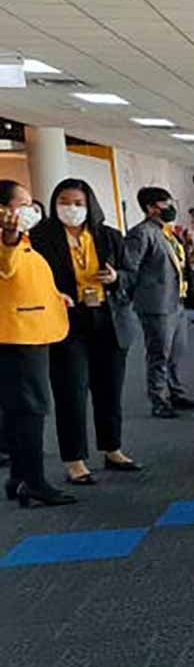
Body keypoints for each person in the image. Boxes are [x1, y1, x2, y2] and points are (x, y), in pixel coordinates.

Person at [30, 179, 141, 483]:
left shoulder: (109, 237)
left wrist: (117, 277)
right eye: (64, 201)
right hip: (68, 322)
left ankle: (112, 448)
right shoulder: (40, 239)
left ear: (89, 204)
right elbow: (34, 280)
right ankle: (74, 459)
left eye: (78, 203)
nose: (71, 208)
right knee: (71, 392)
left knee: (109, 390)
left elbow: (133, 276)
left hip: (108, 319)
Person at [0, 180, 75, 507]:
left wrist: (56, 297)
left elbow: (21, 282)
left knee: (22, 410)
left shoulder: (27, 242)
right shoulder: (10, 240)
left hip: (30, 330)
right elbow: (7, 265)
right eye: (24, 203)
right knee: (31, 408)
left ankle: (19, 476)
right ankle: (34, 481)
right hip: (18, 336)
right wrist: (10, 236)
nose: (32, 209)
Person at [126, 187, 194, 420]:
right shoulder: (141, 234)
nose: (170, 207)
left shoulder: (167, 232)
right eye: (165, 204)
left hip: (176, 302)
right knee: (159, 354)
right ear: (150, 208)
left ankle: (175, 393)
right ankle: (158, 400)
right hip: (156, 304)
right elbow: (131, 268)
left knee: (175, 353)